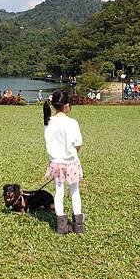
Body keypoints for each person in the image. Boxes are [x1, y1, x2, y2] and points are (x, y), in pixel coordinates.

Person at [43, 90, 84, 235]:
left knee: (59, 192)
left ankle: (62, 227)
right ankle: (78, 226)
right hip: (71, 162)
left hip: (56, 163)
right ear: (66, 105)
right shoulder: (72, 122)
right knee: (74, 191)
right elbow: (78, 143)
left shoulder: (48, 122)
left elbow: (48, 143)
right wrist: (73, 153)